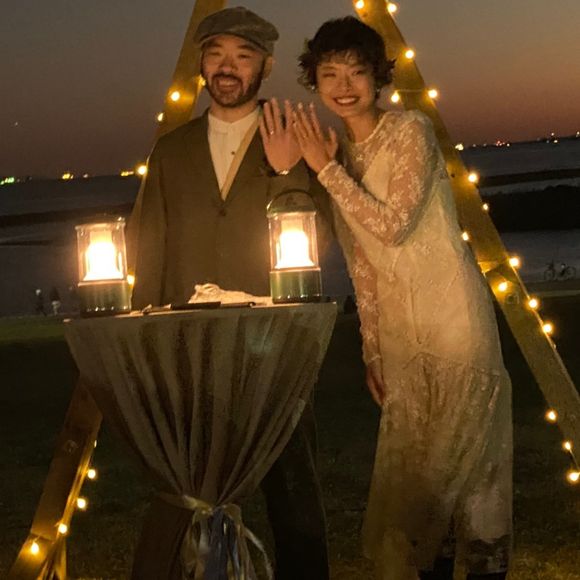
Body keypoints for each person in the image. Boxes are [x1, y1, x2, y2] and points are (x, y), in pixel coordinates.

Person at [290, 16, 512, 580]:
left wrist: (325, 170)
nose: (344, 86)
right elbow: (362, 265)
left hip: (452, 317)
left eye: (356, 72)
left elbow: (393, 227)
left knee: (471, 469)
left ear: (378, 77)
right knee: (418, 484)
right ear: (315, 81)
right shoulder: (340, 156)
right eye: (330, 74)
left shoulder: (410, 130)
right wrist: (372, 349)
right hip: (399, 333)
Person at [129, 7, 331, 580]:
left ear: (265, 66)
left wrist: (287, 172)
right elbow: (150, 246)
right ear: (201, 64)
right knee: (194, 494)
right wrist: (148, 340)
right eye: (216, 54)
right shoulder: (172, 150)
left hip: (275, 343)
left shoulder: (293, 134)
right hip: (192, 346)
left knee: (293, 492)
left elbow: (321, 234)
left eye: (243, 56)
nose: (227, 67)